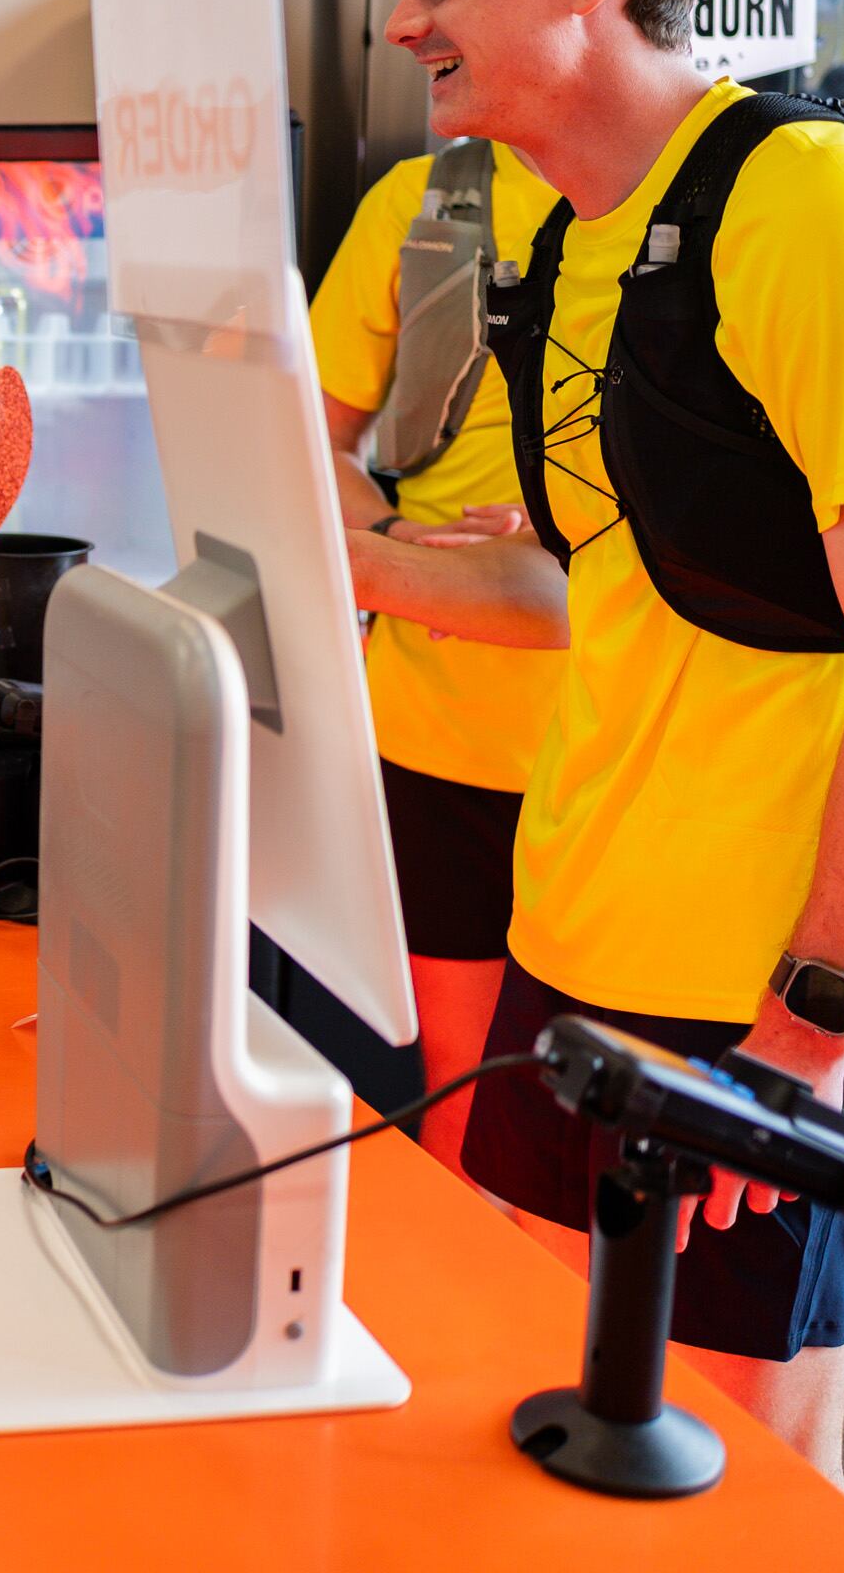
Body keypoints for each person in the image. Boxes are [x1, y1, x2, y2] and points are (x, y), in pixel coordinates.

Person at [345, 0, 844, 1486]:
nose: (403, 23)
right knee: (556, 1433)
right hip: (587, 941)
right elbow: (586, 595)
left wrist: (806, 1030)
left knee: (747, 1478)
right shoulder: (568, 240)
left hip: (764, 987)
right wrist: (333, 545)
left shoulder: (812, 210)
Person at [308, 140, 564, 1187]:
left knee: (607, 1115)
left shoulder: (707, 194)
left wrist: (577, 531)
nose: (415, 22)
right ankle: (486, 1350)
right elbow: (310, 442)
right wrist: (407, 548)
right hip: (437, 727)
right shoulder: (415, 206)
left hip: (638, 745)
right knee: (464, 1082)